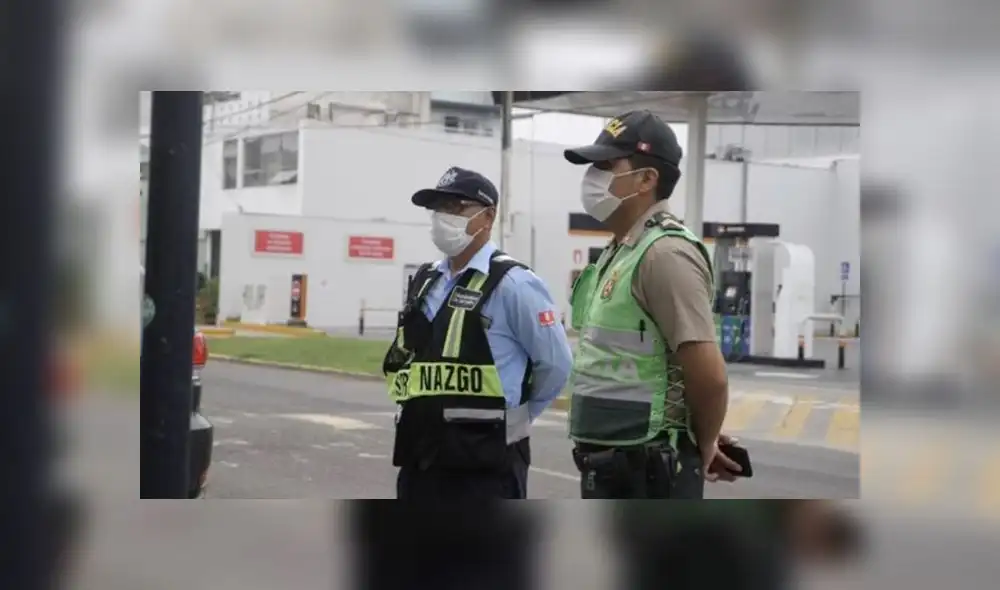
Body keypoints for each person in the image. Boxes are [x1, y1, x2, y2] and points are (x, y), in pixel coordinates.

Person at [563, 110, 742, 498]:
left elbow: (709, 376)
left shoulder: (665, 254)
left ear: (647, 179)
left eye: (607, 165)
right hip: (612, 464)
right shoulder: (621, 251)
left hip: (648, 471)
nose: (592, 177)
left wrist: (705, 441)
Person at [383, 166, 573, 500]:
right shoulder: (426, 280)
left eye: (456, 208)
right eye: (438, 208)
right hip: (421, 455)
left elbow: (555, 365)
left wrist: (518, 417)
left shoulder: (515, 284)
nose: (443, 217)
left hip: (485, 463)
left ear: (487, 216)